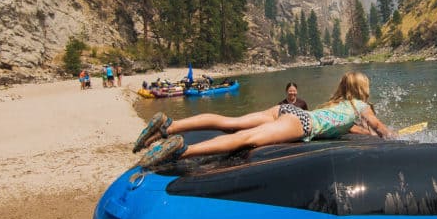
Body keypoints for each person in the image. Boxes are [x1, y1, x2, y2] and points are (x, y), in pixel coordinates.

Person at [132, 71, 395, 169]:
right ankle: (183, 150)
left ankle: (170, 125)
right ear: (362, 90)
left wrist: (365, 134)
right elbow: (379, 128)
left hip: (285, 113)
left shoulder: (337, 105)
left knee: (230, 122)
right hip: (302, 124)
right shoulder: (360, 106)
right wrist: (397, 139)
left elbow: (351, 130)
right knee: (244, 140)